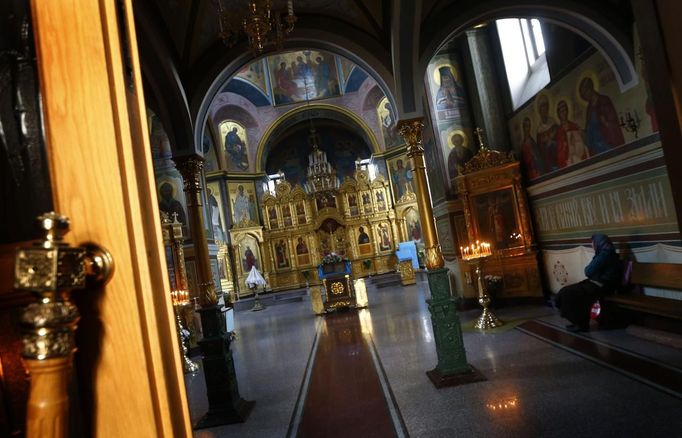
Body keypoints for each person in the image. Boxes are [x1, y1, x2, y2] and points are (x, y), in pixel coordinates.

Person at [555, 234, 622, 332]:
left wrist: (591, 271)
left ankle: (581, 324)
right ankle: (580, 322)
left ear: (598, 243)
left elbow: (588, 271)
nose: (592, 245)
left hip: (602, 286)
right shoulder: (607, 252)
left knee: (568, 293)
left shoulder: (605, 254)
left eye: (593, 242)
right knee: (567, 291)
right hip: (598, 283)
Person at [579, 77, 625, 155]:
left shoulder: (604, 101)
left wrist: (606, 123)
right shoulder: (589, 109)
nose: (585, 97)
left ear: (590, 89)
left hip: (607, 144)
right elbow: (590, 130)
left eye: (585, 94)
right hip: (596, 148)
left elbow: (614, 123)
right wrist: (584, 134)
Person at [556, 100, 589, 167]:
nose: (563, 113)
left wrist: (581, 134)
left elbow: (583, 142)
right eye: (561, 111)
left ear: (567, 111)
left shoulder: (574, 126)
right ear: (558, 114)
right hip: (568, 162)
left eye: (565, 110)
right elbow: (559, 152)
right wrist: (564, 145)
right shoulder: (558, 131)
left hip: (578, 158)